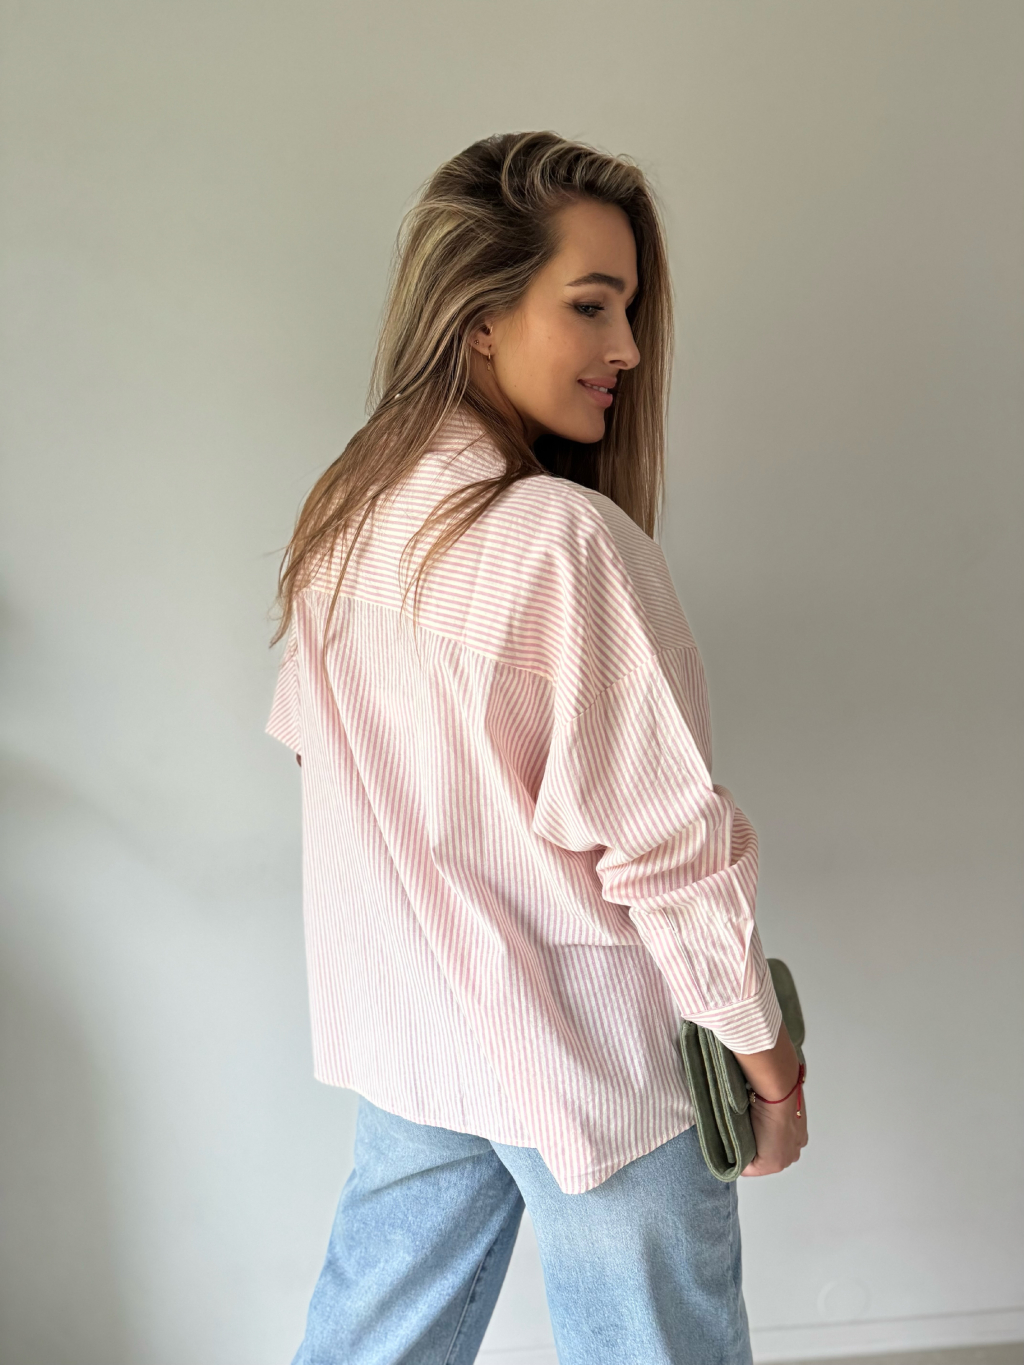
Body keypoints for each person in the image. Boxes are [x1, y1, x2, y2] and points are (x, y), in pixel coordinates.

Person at [266, 130, 808, 1365]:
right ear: (478, 318)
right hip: (592, 1067)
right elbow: (670, 855)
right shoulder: (564, 541)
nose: (628, 349)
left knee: (369, 1345)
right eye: (590, 305)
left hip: (419, 1042)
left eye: (629, 309)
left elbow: (319, 758)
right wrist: (767, 1068)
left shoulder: (345, 514)